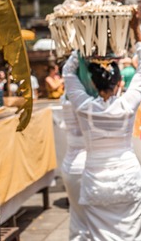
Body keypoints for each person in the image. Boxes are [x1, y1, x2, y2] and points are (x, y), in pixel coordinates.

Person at [62, 13, 141, 241]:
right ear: (119, 82)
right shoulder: (127, 104)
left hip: (96, 182)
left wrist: (84, 40)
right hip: (128, 177)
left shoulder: (84, 106)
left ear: (92, 83)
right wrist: (137, 34)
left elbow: (67, 72)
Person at [60, 96, 88, 240]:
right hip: (88, 165)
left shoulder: (67, 98)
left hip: (70, 166)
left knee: (78, 218)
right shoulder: (91, 102)